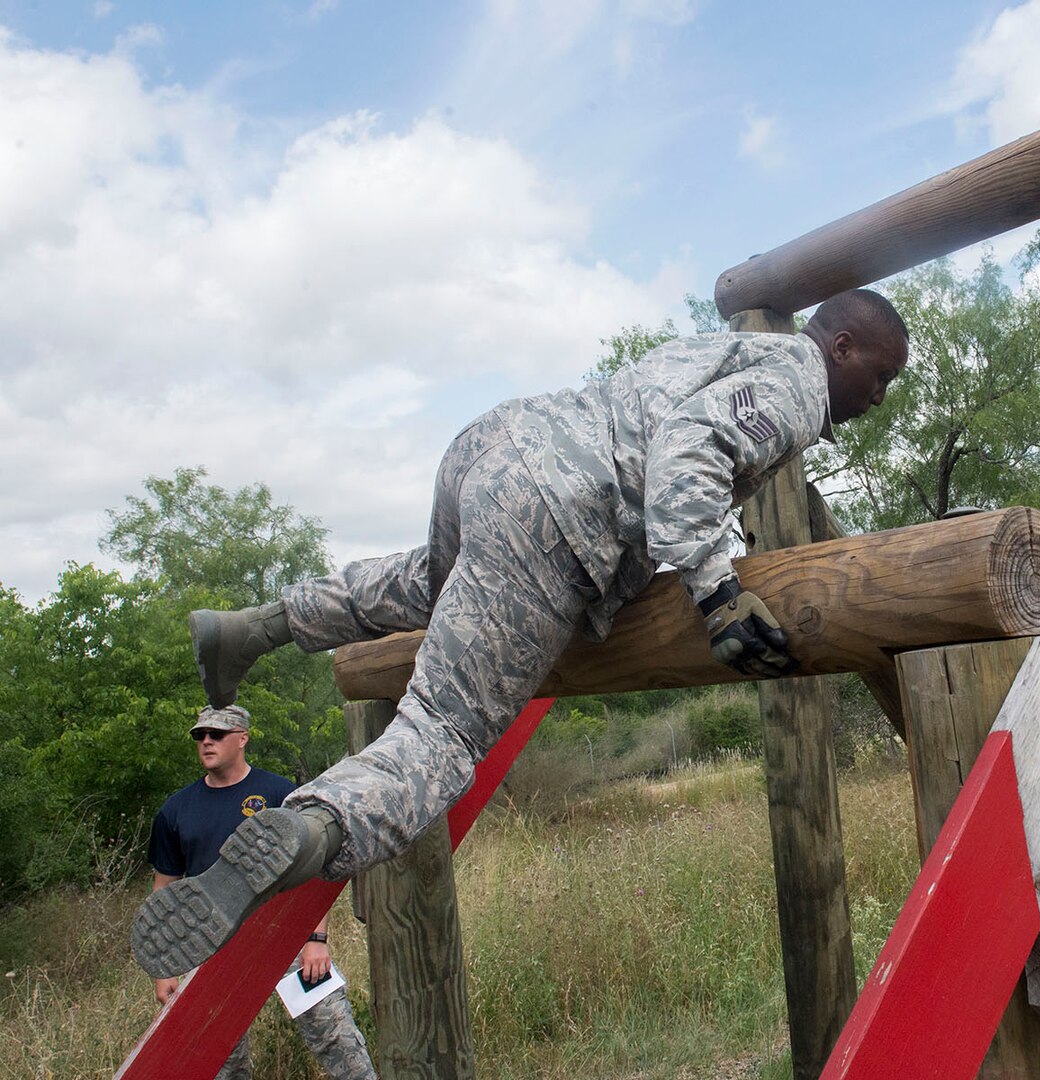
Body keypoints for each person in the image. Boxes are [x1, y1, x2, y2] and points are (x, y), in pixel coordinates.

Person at [133, 288, 910, 980]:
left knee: (432, 585)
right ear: (839, 346)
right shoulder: (797, 383)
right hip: (565, 513)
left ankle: (256, 627)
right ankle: (309, 828)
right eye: (881, 377)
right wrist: (718, 594)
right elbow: (690, 453)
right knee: (442, 729)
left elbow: (671, 432)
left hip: (498, 447)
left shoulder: (732, 350)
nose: (879, 397)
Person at [146, 704, 376, 1080]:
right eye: (200, 735)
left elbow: (314, 871)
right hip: (209, 948)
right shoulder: (176, 811)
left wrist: (315, 938)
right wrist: (164, 968)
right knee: (221, 1063)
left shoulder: (281, 794)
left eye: (216, 734)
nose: (206, 741)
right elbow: (163, 891)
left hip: (284, 939)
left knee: (338, 1038)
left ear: (242, 738)